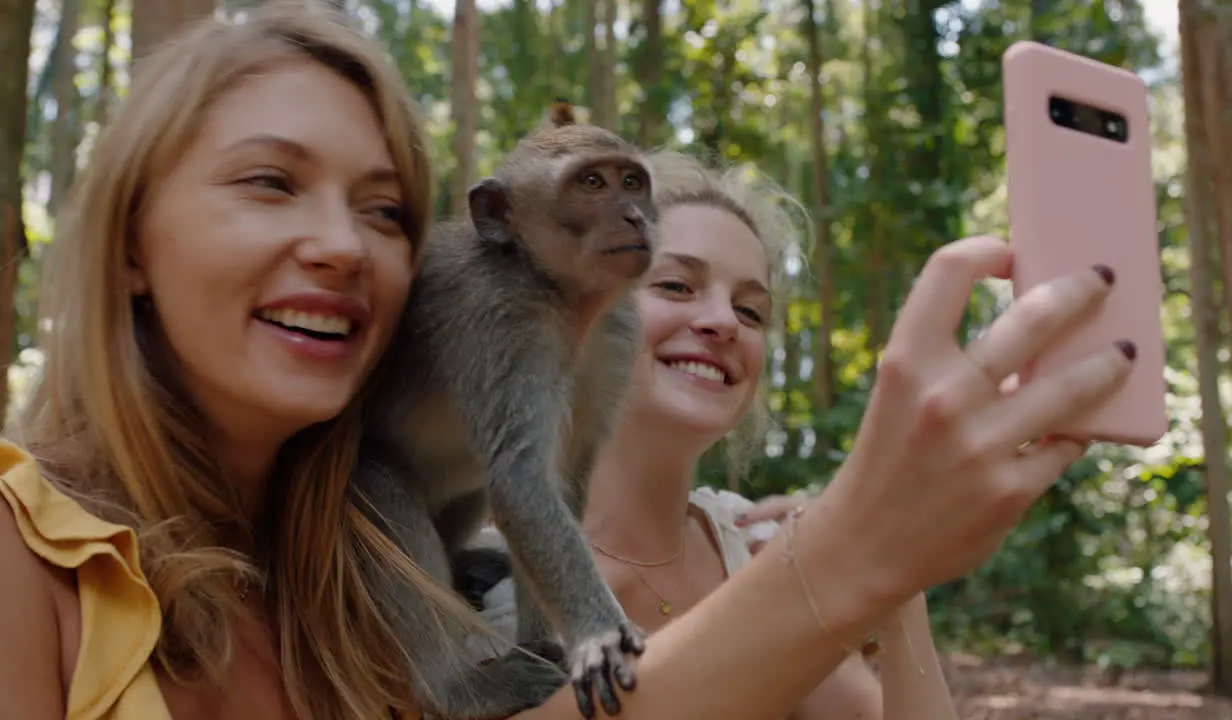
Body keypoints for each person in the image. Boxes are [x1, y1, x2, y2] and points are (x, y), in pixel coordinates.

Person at [0, 2, 1138, 719]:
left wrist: (885, 580)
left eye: (385, 208)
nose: (340, 245)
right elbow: (527, 489)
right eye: (267, 182)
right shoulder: (34, 554)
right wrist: (854, 552)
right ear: (131, 240)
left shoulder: (334, 577)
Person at [575, 150, 959, 719]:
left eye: (750, 311)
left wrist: (897, 591)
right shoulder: (493, 579)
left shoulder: (746, 548)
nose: (725, 322)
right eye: (678, 286)